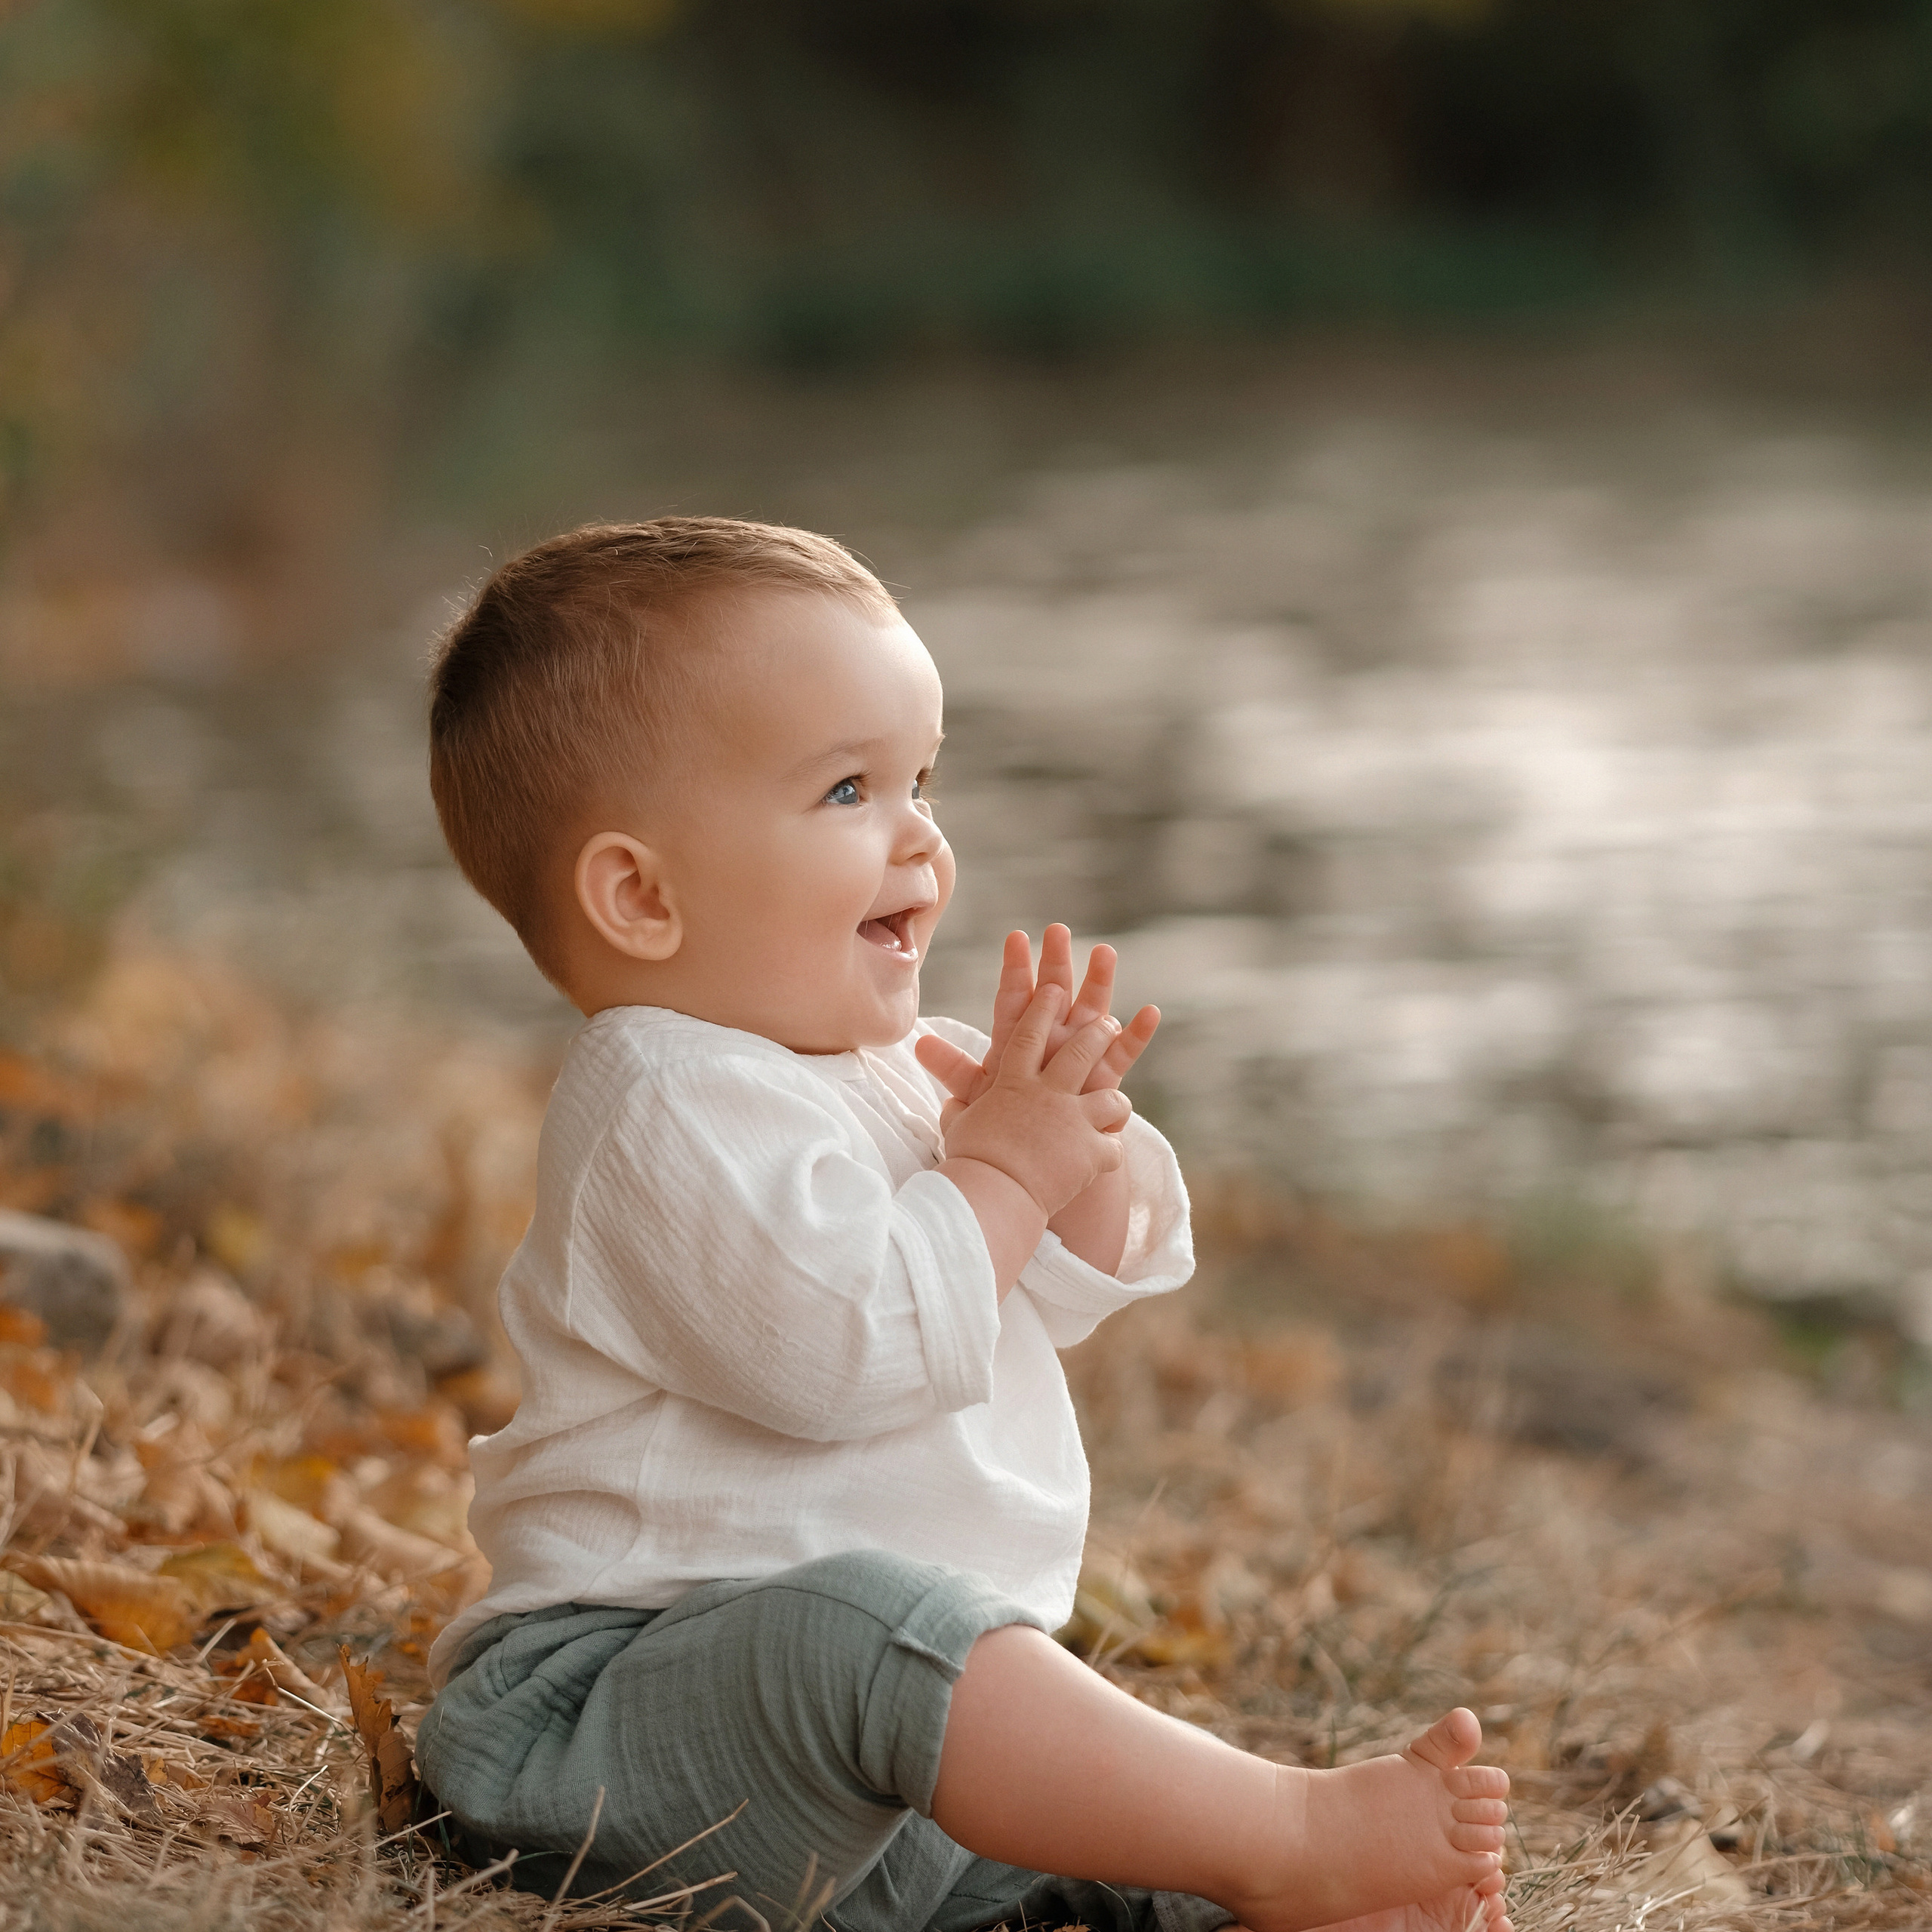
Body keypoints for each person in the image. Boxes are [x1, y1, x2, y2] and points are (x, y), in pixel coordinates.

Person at [414, 518, 1512, 1932]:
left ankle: (1292, 1905)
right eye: (850, 789)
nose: (923, 838)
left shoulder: (876, 1071)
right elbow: (848, 1346)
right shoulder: (663, 1099)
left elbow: (1031, 1296)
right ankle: (1290, 1833)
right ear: (641, 894)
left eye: (925, 780)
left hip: (869, 1796)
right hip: (618, 1732)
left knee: (1075, 1817)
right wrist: (996, 1171)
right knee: (877, 1634)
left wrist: (1078, 1163)